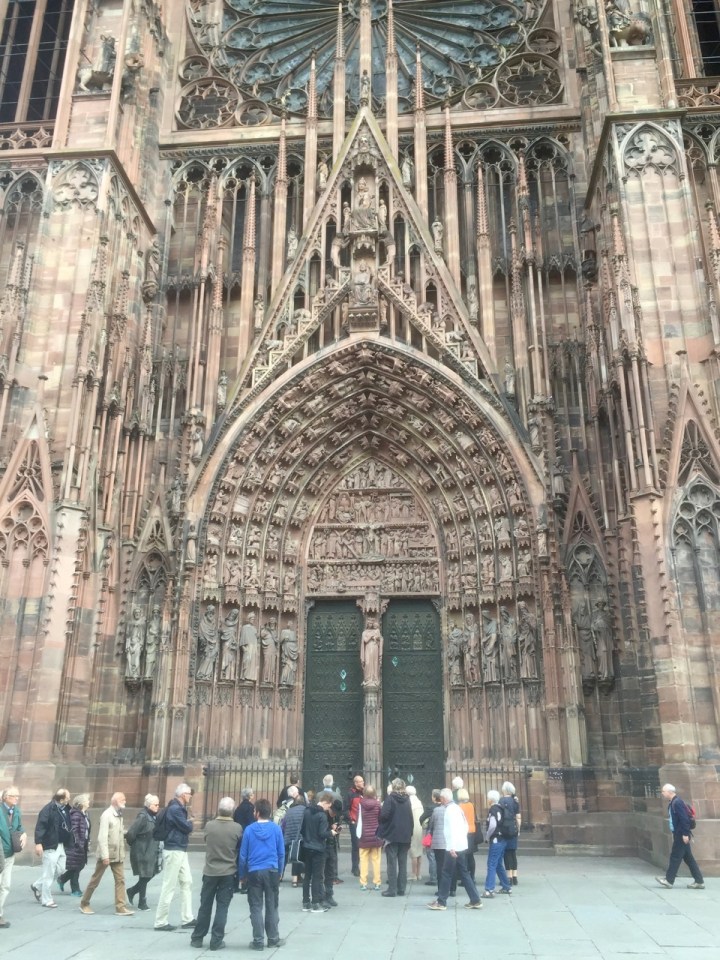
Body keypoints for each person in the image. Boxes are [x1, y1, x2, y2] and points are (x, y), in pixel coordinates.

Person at [192, 796, 243, 950]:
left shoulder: (209, 825)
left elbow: (207, 841)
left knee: (205, 906)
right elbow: (238, 847)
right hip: (228, 872)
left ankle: (197, 938)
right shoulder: (237, 828)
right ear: (232, 811)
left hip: (210, 871)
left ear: (218, 810)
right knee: (222, 907)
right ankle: (216, 940)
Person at [239, 797, 285, 950]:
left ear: (257, 813)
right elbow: (281, 853)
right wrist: (280, 871)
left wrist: (242, 874)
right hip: (271, 870)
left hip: (254, 871)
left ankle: (258, 941)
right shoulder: (276, 829)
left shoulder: (249, 830)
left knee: (256, 906)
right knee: (272, 905)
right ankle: (273, 938)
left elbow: (243, 856)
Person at [79, 792, 133, 916]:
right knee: (95, 880)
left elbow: (117, 833)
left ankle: (120, 907)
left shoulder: (119, 814)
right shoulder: (107, 815)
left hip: (118, 853)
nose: (125, 801)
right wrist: (105, 856)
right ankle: (84, 903)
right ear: (115, 801)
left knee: (120, 880)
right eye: (122, 799)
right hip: (107, 853)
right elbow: (102, 838)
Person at [427, 788, 482, 911]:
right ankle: (475, 899)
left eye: (441, 798)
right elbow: (465, 826)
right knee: (464, 872)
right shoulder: (457, 808)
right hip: (461, 845)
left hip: (453, 847)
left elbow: (451, 830)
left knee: (446, 873)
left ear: (443, 799)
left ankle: (441, 901)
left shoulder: (450, 811)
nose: (440, 801)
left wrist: (452, 847)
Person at [154, 783, 195, 931]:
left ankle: (187, 918)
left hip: (180, 848)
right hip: (174, 849)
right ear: (183, 794)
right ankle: (160, 921)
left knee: (187, 882)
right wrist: (190, 824)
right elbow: (186, 827)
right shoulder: (176, 809)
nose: (190, 796)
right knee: (169, 885)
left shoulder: (177, 808)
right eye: (189, 793)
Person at [656, 784, 704, 889]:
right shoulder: (674, 802)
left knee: (675, 857)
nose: (662, 794)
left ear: (670, 792)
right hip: (679, 833)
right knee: (688, 858)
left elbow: (684, 819)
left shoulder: (677, 802)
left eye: (664, 791)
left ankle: (669, 880)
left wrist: (685, 834)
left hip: (681, 834)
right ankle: (699, 881)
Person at [32, 788, 73, 908]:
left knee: (61, 869)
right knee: (48, 873)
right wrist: (38, 843)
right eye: (67, 797)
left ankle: (37, 885)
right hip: (50, 845)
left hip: (60, 844)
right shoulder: (48, 809)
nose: (69, 799)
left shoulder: (65, 808)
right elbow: (40, 826)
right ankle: (46, 899)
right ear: (61, 799)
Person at [378, 778, 414, 897]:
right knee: (403, 863)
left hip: (392, 834)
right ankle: (401, 888)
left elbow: (384, 815)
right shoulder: (407, 799)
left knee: (392, 863)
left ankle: (392, 889)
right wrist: (410, 833)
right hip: (405, 835)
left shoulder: (390, 798)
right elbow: (410, 817)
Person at [300, 792, 334, 912]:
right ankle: (315, 903)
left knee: (307, 876)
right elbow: (322, 834)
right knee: (317, 876)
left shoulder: (307, 811)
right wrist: (331, 833)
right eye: (328, 806)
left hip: (306, 846)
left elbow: (302, 830)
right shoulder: (322, 815)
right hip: (318, 849)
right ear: (325, 803)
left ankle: (305, 902)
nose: (328, 808)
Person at [126, 794, 161, 910]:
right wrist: (135, 845)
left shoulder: (153, 816)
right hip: (142, 850)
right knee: (145, 875)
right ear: (149, 805)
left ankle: (132, 891)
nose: (158, 807)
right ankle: (142, 902)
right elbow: (131, 833)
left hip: (151, 850)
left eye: (158, 804)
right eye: (156, 805)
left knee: (149, 874)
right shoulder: (143, 816)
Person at [0, 786, 26, 927]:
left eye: (17, 796)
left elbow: (19, 827)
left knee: (6, 885)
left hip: (10, 854)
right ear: (5, 797)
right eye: (13, 796)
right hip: (0, 853)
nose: (16, 798)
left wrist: (24, 833)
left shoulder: (16, 811)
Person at [58, 794, 91, 896]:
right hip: (75, 845)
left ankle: (62, 879)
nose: (89, 802)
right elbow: (74, 831)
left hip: (82, 844)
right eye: (87, 800)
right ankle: (75, 889)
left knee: (79, 865)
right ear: (81, 803)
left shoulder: (84, 814)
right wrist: (78, 843)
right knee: (76, 866)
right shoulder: (76, 814)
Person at [482, 789, 512, 897]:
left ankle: (489, 889)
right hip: (503, 839)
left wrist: (487, 836)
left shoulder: (493, 809)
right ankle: (506, 886)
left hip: (496, 839)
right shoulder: (501, 808)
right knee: (498, 864)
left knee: (491, 864)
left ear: (490, 799)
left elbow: (493, 825)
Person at [357, 786, 382, 890]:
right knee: (376, 860)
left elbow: (358, 819)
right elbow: (381, 818)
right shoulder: (378, 804)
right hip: (376, 835)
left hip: (364, 835)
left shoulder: (361, 804)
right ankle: (377, 882)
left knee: (363, 860)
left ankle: (363, 883)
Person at [280, 786, 306, 887]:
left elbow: (283, 824)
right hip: (299, 838)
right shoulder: (305, 810)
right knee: (298, 857)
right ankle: (296, 878)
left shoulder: (289, 811)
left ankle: (280, 875)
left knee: (285, 857)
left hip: (288, 837)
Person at [234, 788, 256, 894]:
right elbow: (251, 822)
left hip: (239, 834)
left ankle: (235, 884)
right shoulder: (250, 807)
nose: (253, 795)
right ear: (250, 796)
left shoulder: (238, 808)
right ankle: (245, 884)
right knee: (247, 860)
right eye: (252, 794)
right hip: (247, 835)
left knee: (238, 859)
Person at [499, 781, 521, 885]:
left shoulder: (501, 800)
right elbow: (518, 817)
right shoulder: (515, 801)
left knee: (506, 853)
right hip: (513, 829)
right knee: (513, 853)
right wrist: (519, 829)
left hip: (505, 829)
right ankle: (515, 876)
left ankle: (509, 877)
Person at [344, 773, 365, 877]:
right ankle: (355, 867)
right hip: (355, 822)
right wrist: (351, 820)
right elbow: (346, 808)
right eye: (361, 781)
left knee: (363, 845)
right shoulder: (350, 794)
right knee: (356, 845)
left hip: (364, 822)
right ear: (356, 783)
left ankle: (362, 866)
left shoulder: (365, 793)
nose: (363, 783)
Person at [457, 788, 477, 880]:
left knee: (463, 856)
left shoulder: (460, 806)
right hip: (472, 831)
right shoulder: (471, 805)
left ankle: (464, 876)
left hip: (463, 831)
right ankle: (472, 876)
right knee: (470, 856)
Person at [406, 785, 425, 881]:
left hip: (412, 828)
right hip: (420, 828)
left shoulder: (409, 802)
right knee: (419, 851)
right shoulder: (419, 802)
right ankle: (419, 873)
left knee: (413, 852)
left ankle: (413, 874)